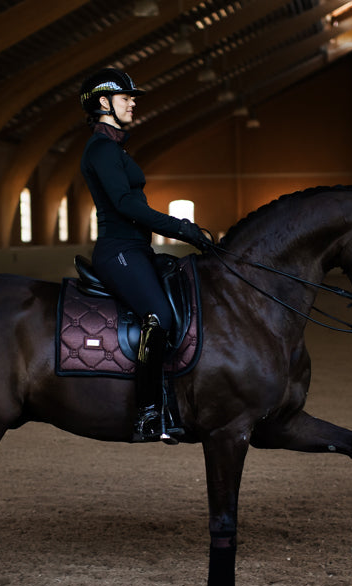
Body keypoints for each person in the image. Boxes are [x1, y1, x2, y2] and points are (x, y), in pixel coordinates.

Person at [78, 67, 212, 444]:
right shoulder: (102, 149)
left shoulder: (115, 147)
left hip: (137, 249)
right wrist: (181, 228)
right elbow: (124, 204)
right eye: (126, 98)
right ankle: (149, 413)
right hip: (118, 251)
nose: (133, 102)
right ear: (104, 103)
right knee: (161, 316)